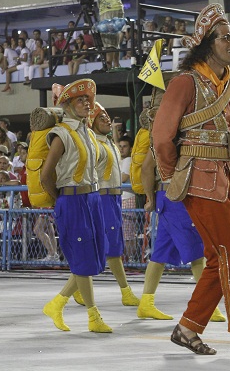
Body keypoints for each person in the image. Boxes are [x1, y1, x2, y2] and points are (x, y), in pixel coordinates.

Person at [152, 3, 230, 358]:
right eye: (226, 37)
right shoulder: (184, 83)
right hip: (197, 180)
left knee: (220, 259)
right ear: (208, 43)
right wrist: (171, 178)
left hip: (225, 180)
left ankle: (188, 327)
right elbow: (161, 137)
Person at [138, 107, 225, 322]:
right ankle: (208, 305)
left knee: (160, 254)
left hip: (174, 197)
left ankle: (146, 303)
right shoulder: (163, 138)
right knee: (197, 252)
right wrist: (149, 198)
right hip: (173, 197)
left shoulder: (175, 136)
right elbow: (146, 169)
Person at [41, 79, 112, 333]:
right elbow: (46, 175)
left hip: (92, 198)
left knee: (93, 258)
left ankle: (57, 303)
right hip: (72, 199)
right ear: (67, 105)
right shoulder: (61, 134)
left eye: (88, 100)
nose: (87, 103)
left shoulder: (89, 132)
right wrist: (58, 199)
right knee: (84, 259)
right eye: (80, 100)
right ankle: (93, 317)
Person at [72, 101, 140, 307]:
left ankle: (77, 291)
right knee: (107, 249)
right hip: (102, 197)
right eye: (101, 118)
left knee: (111, 248)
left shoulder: (108, 141)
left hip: (114, 198)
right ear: (91, 123)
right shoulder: (92, 141)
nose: (107, 120)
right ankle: (124, 291)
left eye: (107, 117)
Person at [85, 0, 123, 69]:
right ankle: (114, 65)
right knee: (109, 39)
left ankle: (110, 65)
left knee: (110, 38)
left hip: (112, 8)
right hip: (104, 10)